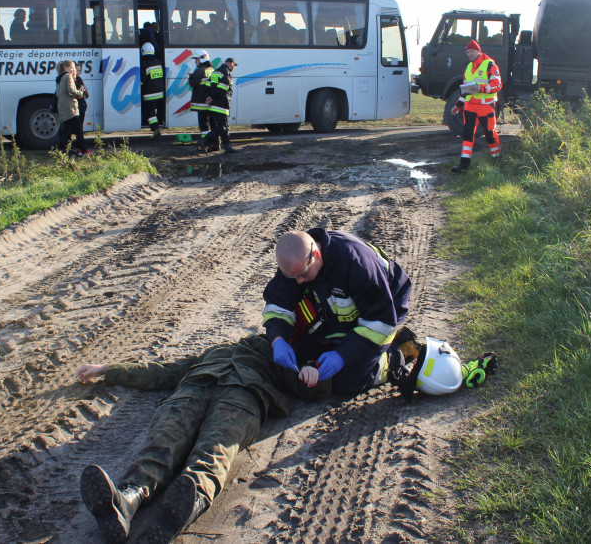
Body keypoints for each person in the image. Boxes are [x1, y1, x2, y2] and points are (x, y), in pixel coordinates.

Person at [76, 334, 329, 544]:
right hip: (193, 390)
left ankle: (184, 505)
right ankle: (126, 500)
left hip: (242, 396)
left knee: (214, 449)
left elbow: (306, 385)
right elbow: (163, 372)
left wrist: (315, 371)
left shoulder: (278, 356)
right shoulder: (214, 352)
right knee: (163, 444)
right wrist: (108, 369)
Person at [262, 228, 412, 397]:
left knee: (345, 382)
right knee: (298, 356)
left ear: (316, 255)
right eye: (292, 277)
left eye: (303, 275)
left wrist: (342, 355)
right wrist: (278, 340)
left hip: (382, 313)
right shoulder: (295, 265)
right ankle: (340, 339)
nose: (299, 281)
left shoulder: (357, 263)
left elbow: (381, 322)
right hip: (335, 310)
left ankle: (391, 357)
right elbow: (277, 306)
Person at [450, 39, 502, 172]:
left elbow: (497, 85)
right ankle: (464, 164)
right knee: (467, 135)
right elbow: (465, 89)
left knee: (490, 134)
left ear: (479, 51)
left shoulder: (490, 65)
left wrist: (481, 88)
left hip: (486, 107)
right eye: (467, 52)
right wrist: (458, 105)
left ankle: (497, 161)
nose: (469, 54)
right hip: (470, 107)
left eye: (472, 51)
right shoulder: (468, 67)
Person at [199, 57, 236, 154]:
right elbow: (223, 88)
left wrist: (209, 96)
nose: (234, 68)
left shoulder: (215, 72)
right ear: (231, 64)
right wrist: (213, 97)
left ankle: (228, 147)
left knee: (223, 127)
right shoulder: (226, 72)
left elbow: (208, 85)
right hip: (221, 103)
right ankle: (204, 141)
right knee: (222, 127)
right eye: (234, 66)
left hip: (213, 104)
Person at [56, 60, 88, 154]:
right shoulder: (68, 76)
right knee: (78, 130)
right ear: (66, 68)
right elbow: (72, 91)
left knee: (66, 131)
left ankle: (63, 152)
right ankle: (83, 151)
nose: (74, 69)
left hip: (63, 107)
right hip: (71, 108)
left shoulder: (60, 77)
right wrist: (80, 93)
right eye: (72, 67)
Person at [140, 42, 165, 138]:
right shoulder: (157, 62)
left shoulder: (144, 64)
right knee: (154, 110)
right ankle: (156, 127)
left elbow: (143, 80)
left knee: (149, 112)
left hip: (149, 93)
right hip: (159, 92)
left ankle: (155, 129)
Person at [188, 50, 213, 143]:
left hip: (201, 102)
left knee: (203, 124)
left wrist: (191, 77)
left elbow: (192, 83)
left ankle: (205, 141)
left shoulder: (200, 71)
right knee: (210, 123)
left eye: (196, 59)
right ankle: (211, 141)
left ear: (201, 59)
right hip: (209, 102)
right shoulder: (211, 70)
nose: (195, 62)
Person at [74, 61, 90, 148]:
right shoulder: (71, 81)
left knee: (79, 129)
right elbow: (79, 93)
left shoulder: (79, 79)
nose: (79, 72)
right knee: (77, 129)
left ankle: (81, 149)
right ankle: (81, 149)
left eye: (79, 70)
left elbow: (86, 94)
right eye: (77, 70)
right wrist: (81, 92)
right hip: (76, 107)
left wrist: (83, 92)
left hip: (82, 106)